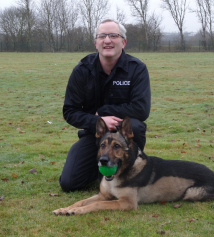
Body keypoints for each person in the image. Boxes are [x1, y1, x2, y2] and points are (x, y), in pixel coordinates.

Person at [59, 19, 151, 192]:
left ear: (123, 42)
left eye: (113, 35)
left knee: (136, 127)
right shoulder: (82, 70)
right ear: (96, 43)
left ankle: (128, 169)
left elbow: (141, 109)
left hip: (125, 136)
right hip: (95, 135)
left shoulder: (137, 69)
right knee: (69, 183)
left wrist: (102, 112)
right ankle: (100, 168)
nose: (107, 40)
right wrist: (97, 122)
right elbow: (69, 111)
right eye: (102, 36)